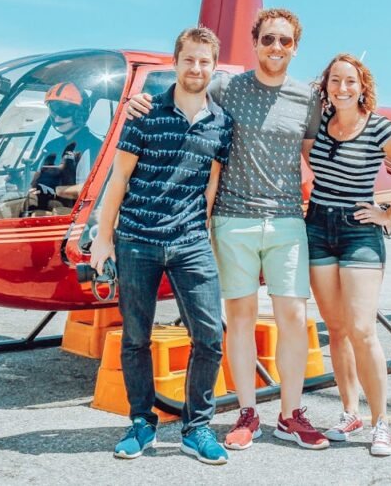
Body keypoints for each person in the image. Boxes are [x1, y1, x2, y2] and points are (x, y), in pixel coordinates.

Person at [127, 8, 329, 451]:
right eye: (268, 40)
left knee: (293, 317)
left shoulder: (307, 99)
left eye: (285, 41)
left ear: (295, 47)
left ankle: (291, 414)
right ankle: (247, 412)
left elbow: (318, 157)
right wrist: (139, 101)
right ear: (255, 44)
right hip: (233, 220)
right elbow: (184, 90)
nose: (276, 48)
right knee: (238, 318)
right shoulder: (226, 86)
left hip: (287, 220)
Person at [90, 26, 234, 465]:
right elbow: (119, 179)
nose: (196, 68)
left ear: (213, 66)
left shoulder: (221, 123)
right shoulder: (145, 114)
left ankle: (197, 426)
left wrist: (206, 237)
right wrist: (103, 236)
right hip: (137, 240)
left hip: (190, 242)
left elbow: (210, 188)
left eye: (205, 61)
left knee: (209, 337)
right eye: (189, 59)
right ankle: (141, 422)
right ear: (176, 62)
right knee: (135, 337)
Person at [303, 53, 391, 457]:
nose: (342, 88)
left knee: (361, 329)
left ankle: (381, 422)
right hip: (318, 227)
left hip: (360, 230)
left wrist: (388, 214)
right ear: (325, 87)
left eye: (350, 82)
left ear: (363, 88)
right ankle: (349, 412)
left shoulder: (379, 127)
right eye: (335, 81)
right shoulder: (318, 126)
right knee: (336, 329)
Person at [26, 81, 102, 213]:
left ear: (80, 112)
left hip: (74, 215)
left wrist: (55, 191)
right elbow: (36, 178)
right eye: (53, 109)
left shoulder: (94, 147)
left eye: (62, 109)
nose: (56, 116)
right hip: (45, 209)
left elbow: (93, 189)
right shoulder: (51, 146)